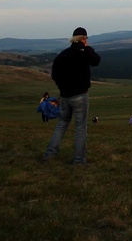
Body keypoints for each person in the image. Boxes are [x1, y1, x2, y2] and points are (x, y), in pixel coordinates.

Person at [43, 27, 101, 165]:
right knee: (80, 127)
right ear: (84, 39)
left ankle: (49, 155)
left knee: (62, 124)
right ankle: (79, 160)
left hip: (65, 96)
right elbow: (96, 60)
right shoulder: (85, 52)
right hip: (80, 95)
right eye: (86, 38)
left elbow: (54, 75)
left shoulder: (63, 55)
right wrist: (87, 48)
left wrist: (62, 88)